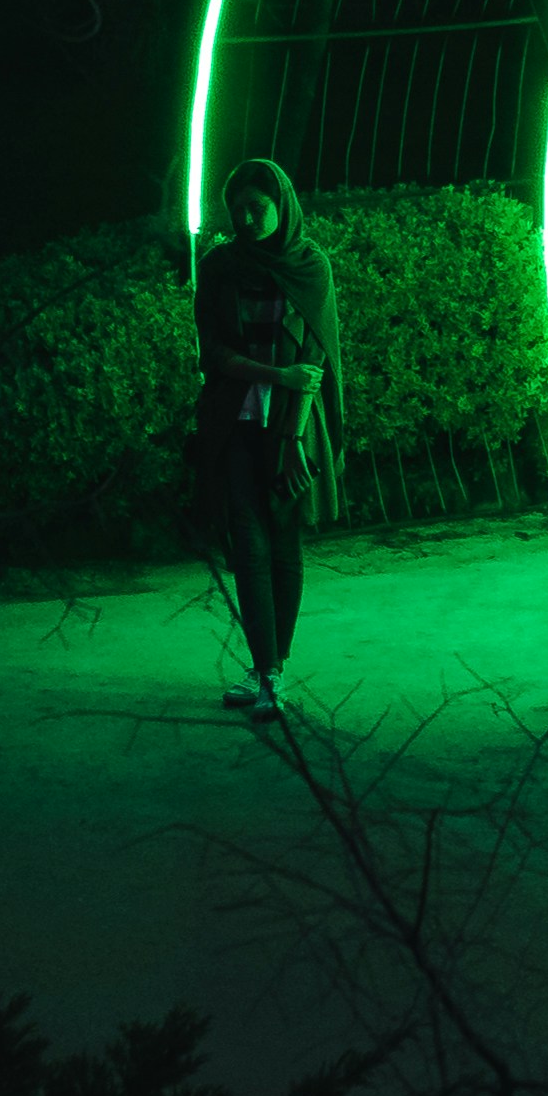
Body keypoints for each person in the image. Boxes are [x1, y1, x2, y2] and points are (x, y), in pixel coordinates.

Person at [188, 155, 335, 716]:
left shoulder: (310, 265)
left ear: (282, 204)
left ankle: (275, 666)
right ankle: (266, 670)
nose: (248, 219)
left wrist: (294, 438)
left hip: (290, 426)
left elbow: (316, 361)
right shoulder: (220, 265)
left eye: (258, 207)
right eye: (238, 210)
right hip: (235, 420)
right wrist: (275, 375)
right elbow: (215, 355)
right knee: (247, 543)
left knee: (284, 540)